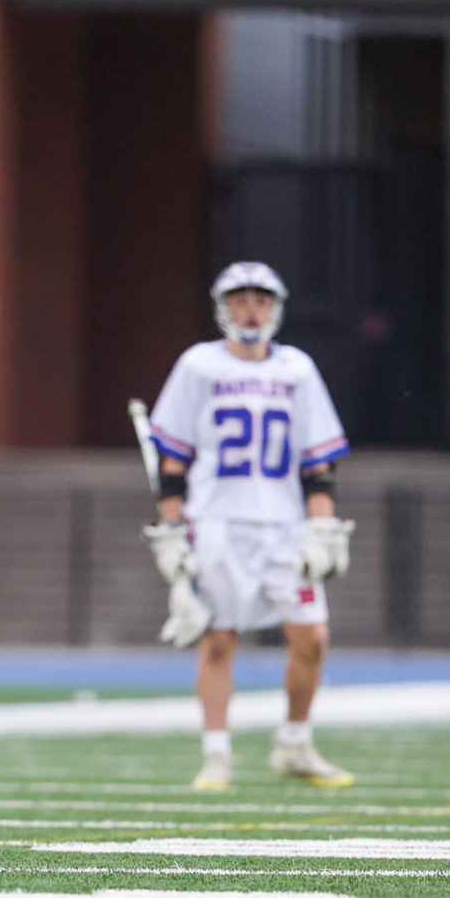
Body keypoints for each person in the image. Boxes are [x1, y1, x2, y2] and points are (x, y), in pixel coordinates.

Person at [143, 261, 357, 791]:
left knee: (312, 637)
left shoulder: (298, 371)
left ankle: (295, 744)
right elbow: (173, 460)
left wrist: (321, 527)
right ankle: (217, 754)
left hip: (284, 524)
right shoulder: (198, 366)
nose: (251, 310)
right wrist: (172, 532)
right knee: (218, 640)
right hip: (216, 521)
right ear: (223, 307)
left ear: (275, 308)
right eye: (241, 300)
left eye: (260, 300)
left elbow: (318, 463)